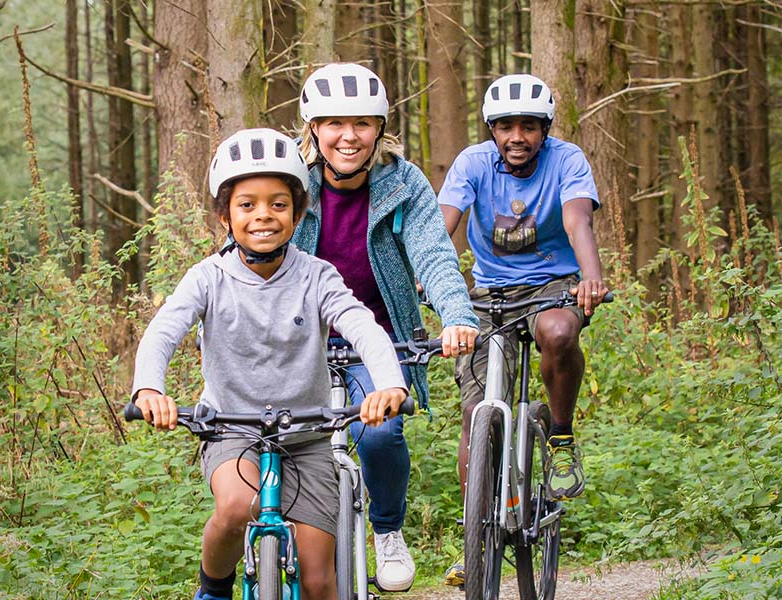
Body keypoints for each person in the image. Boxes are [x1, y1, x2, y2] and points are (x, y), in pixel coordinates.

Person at [130, 128, 409, 600]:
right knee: (238, 506)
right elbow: (164, 330)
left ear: (298, 214)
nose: (263, 215)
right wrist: (149, 389)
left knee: (321, 580)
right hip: (231, 431)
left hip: (307, 438)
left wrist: (388, 384)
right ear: (225, 215)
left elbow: (362, 326)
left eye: (278, 204)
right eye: (247, 205)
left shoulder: (318, 276)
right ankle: (214, 587)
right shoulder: (208, 278)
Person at [292, 62, 480, 591]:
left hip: (374, 342)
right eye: (334, 123)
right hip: (294, 343)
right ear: (313, 129)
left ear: (380, 128)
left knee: (380, 433)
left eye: (362, 123)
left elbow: (434, 256)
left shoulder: (403, 182)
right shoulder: (291, 181)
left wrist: (457, 317)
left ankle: (388, 530)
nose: (348, 136)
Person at [436, 74, 611, 584]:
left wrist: (592, 280)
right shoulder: (472, 164)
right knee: (476, 413)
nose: (518, 136)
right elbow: (442, 223)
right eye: (506, 126)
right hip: (487, 294)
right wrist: (432, 278)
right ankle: (475, 537)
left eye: (529, 126)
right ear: (492, 129)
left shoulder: (567, 160)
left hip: (553, 284)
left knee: (557, 333)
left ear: (545, 129)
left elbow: (579, 221)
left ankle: (559, 438)